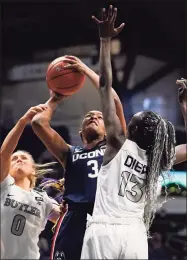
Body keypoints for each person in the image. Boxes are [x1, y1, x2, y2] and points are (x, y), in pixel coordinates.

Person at [81, 5, 178, 259]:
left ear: (132, 129)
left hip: (104, 230)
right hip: (135, 235)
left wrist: (104, 40)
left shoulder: (116, 143)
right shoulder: (159, 160)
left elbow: (105, 86)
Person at [31, 58, 127, 260]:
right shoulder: (70, 153)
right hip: (73, 220)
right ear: (81, 133)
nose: (93, 117)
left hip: (106, 218)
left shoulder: (116, 147)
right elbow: (39, 123)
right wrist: (56, 98)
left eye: (100, 117)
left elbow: (114, 101)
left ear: (109, 129)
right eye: (88, 116)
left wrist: (85, 70)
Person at [0, 105, 61, 259]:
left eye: (24, 158)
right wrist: (22, 121)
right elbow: (4, 154)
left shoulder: (43, 199)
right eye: (14, 159)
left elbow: (64, 217)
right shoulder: (4, 186)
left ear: (33, 169)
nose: (19, 159)